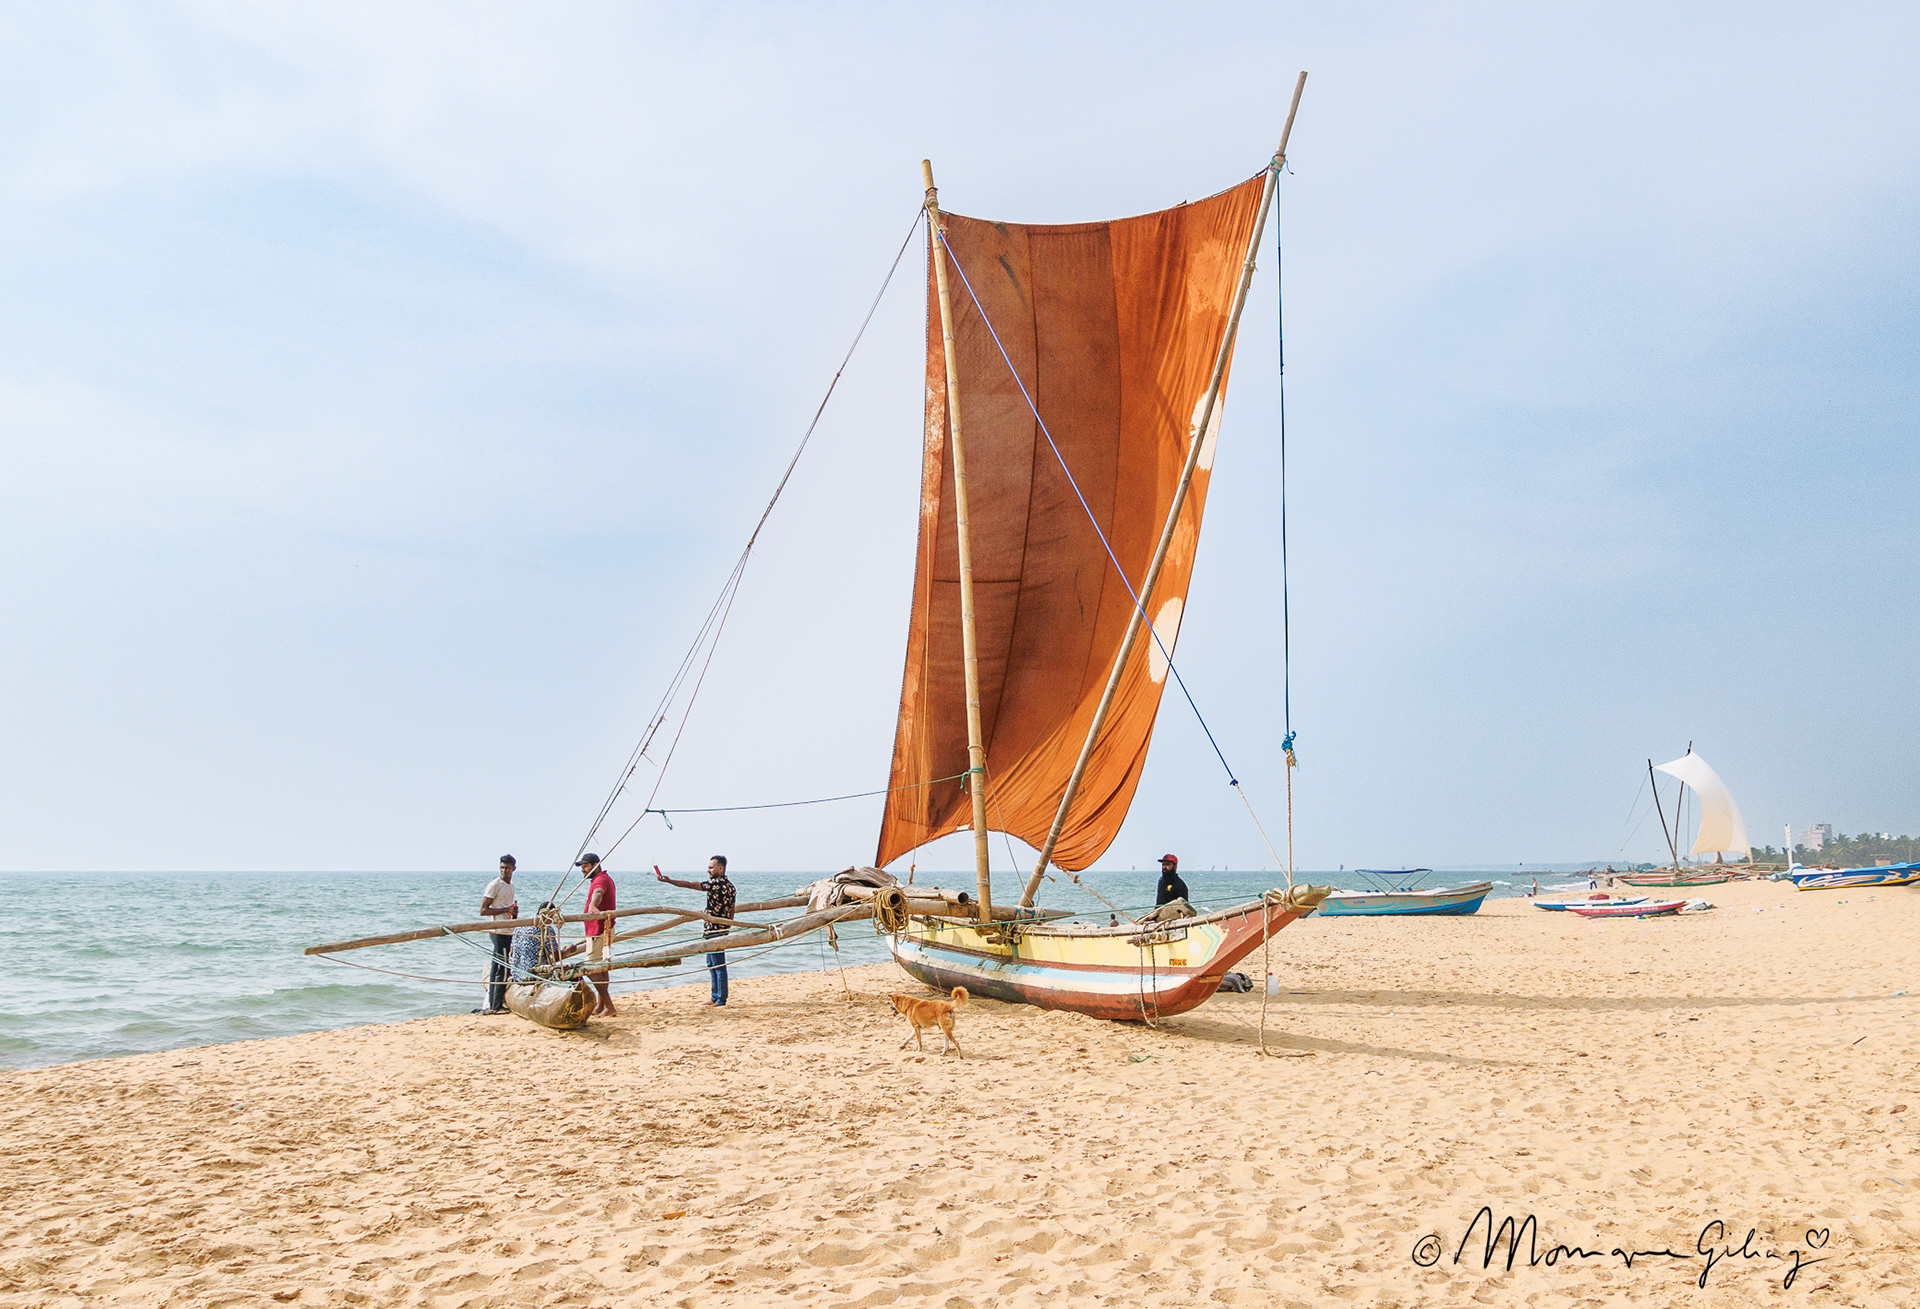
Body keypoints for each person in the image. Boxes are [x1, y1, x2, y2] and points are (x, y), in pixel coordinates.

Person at [658, 856, 736, 1006]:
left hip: (714, 930)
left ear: (721, 869)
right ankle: (715, 997)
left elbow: (690, 885)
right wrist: (727, 926)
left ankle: (720, 999)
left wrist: (669, 881)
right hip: (720, 929)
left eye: (711, 867)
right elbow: (732, 909)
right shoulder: (731, 886)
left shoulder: (717, 884)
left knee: (717, 964)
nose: (708, 870)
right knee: (712, 963)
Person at [476, 855, 518, 1014]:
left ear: (513, 869)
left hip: (508, 930)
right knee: (500, 967)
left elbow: (508, 907)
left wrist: (512, 914)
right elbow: (483, 910)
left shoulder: (510, 886)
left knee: (501, 965)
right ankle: (495, 1005)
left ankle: (496, 1003)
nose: (504, 871)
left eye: (507, 868)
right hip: (498, 931)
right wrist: (506, 910)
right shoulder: (495, 885)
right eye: (502, 868)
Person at [578, 854, 618, 1017]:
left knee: (590, 968)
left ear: (596, 865)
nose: (583, 869)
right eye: (582, 867)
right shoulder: (602, 878)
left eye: (586, 866)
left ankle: (609, 1006)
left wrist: (593, 905)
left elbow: (599, 892)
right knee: (601, 967)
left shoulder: (601, 880)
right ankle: (602, 1006)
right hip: (601, 929)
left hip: (598, 929)